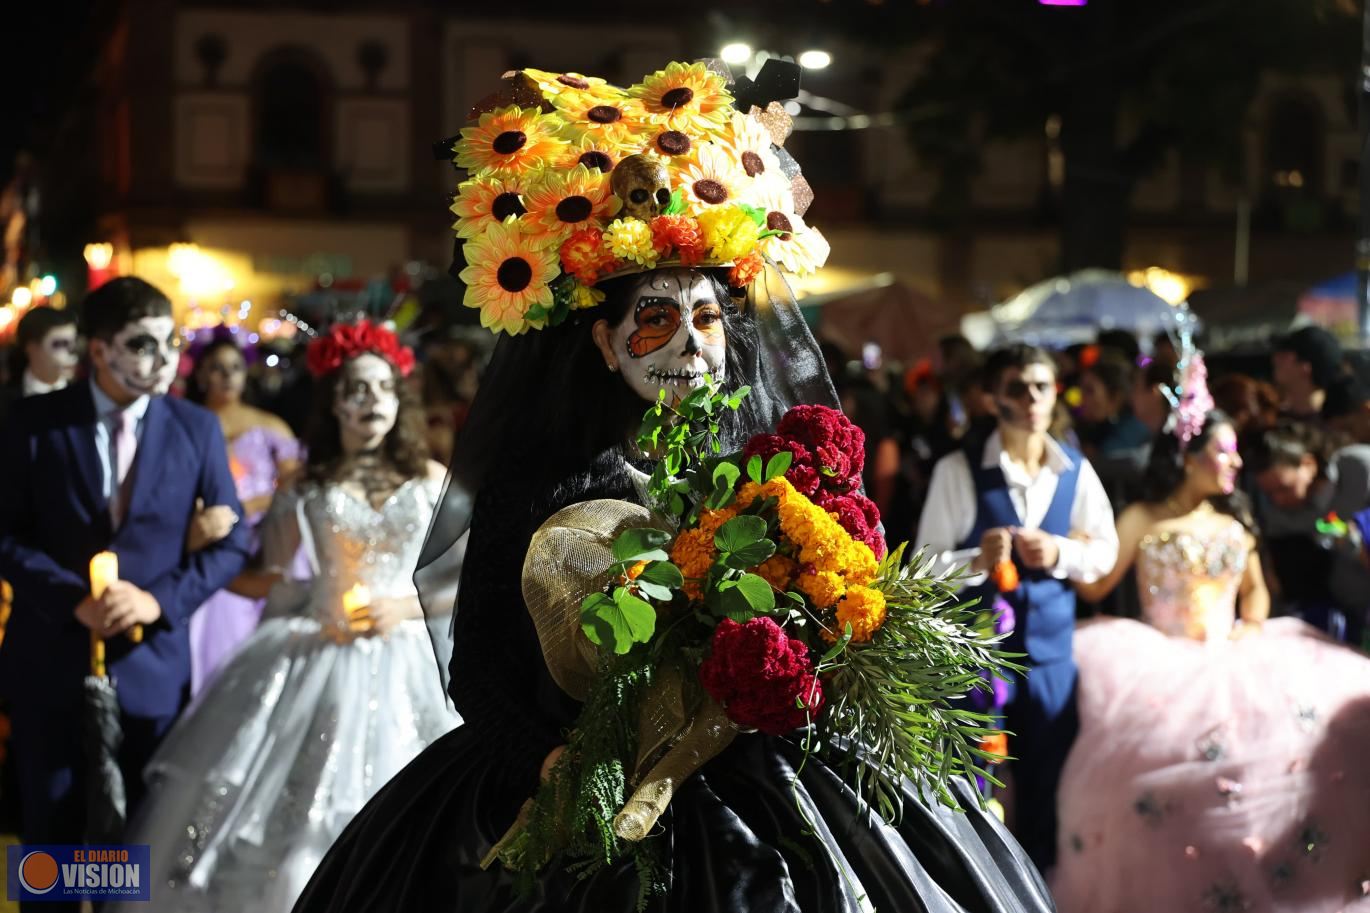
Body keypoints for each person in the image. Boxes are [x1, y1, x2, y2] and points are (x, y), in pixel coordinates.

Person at [293, 62, 1053, 913]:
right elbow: (481, 668)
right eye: (654, 318)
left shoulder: (764, 466)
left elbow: (839, 608)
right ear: (606, 345)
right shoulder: (541, 480)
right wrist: (556, 765)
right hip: (587, 792)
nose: (689, 346)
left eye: (705, 319)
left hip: (761, 783)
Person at [113, 320, 460, 913]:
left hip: (410, 658)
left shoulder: (430, 479)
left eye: (381, 388)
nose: (369, 401)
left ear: (398, 399)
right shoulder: (304, 482)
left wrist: (403, 606)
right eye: (355, 388)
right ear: (334, 402)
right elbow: (261, 575)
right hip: (317, 648)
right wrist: (195, 551)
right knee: (287, 809)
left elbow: (469, 576)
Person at [1052, 356, 1370, 913]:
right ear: (1189, 457)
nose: (1236, 462)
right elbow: (1097, 588)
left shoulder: (1234, 521)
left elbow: (1258, 593)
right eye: (1225, 452)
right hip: (1159, 662)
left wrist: (1250, 627)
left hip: (1236, 655)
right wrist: (1070, 543)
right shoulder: (1145, 518)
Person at [0, 277, 249, 910]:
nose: (165, 360)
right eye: (144, 345)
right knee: (50, 840)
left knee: (132, 838)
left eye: (173, 343)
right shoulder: (33, 423)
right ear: (100, 350)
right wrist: (70, 599)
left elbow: (233, 542)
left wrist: (157, 600)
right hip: (49, 658)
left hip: (150, 665)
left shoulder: (194, 427)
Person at [917, 342, 1119, 870]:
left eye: (1041, 386)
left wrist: (1059, 551)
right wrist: (974, 560)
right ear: (991, 398)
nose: (1031, 398)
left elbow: (1105, 552)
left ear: (1055, 395)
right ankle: (972, 885)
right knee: (972, 780)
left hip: (1051, 656)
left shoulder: (1075, 469)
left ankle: (1041, 886)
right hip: (975, 658)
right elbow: (921, 567)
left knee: (1047, 782)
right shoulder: (958, 470)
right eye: (1016, 387)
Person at [184, 335, 302, 693]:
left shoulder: (269, 425)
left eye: (235, 368)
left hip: (257, 540)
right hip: (201, 538)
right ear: (201, 374)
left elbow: (293, 485)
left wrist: (250, 508)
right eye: (217, 368)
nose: (227, 376)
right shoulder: (186, 421)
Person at [1243, 422, 1370, 642]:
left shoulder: (1358, 470)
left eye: (1284, 488)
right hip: (1348, 617)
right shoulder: (1281, 518)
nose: (1278, 500)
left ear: (1309, 464)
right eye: (1269, 494)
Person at [1272, 325, 1344, 420]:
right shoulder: (1272, 417)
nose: (1275, 359)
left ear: (1305, 367)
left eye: (1285, 355)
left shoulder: (1331, 428)